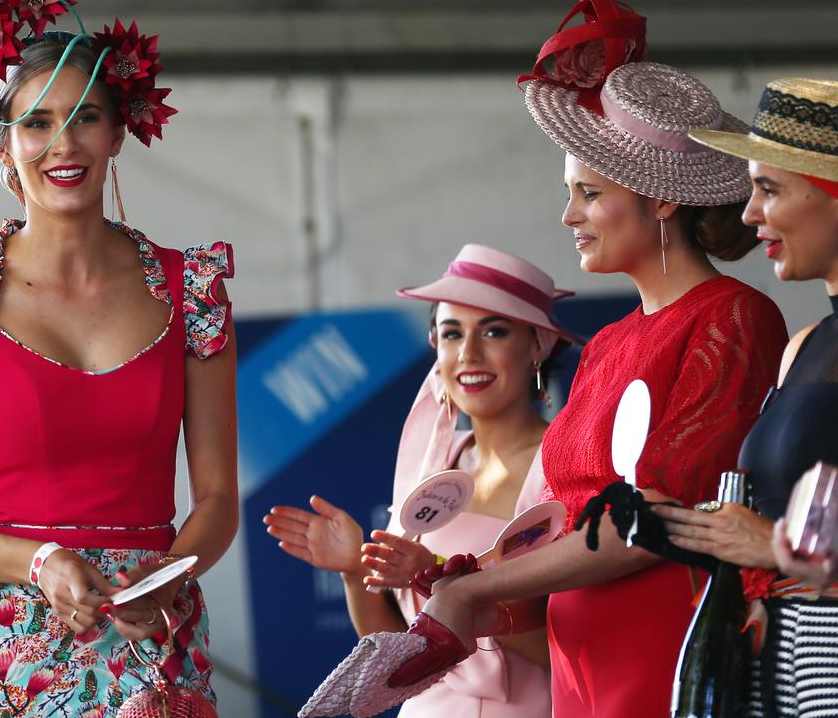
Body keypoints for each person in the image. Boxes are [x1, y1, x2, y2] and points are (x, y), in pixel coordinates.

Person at [0, 0, 236, 716]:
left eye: (83, 116)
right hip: (8, 648)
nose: (61, 143)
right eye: (36, 121)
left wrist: (169, 576)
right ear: (1, 141)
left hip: (154, 641)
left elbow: (216, 499)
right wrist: (39, 562)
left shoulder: (192, 291)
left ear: (118, 131)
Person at [388, 57, 790, 718]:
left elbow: (659, 515)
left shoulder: (733, 316)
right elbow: (566, 520)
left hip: (662, 642)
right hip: (578, 662)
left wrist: (475, 590)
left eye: (589, 193)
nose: (568, 215)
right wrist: (463, 579)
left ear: (660, 198)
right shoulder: (605, 343)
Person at [264, 245, 582, 716]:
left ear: (538, 344)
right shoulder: (432, 466)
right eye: (452, 334)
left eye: (493, 331)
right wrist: (356, 570)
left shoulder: (566, 468)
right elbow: (395, 655)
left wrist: (449, 589)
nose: (468, 353)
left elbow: (580, 654)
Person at [654, 77, 838, 718]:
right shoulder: (805, 344)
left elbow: (789, 535)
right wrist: (684, 525)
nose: (751, 214)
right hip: (781, 660)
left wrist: (771, 545)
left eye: (769, 189)